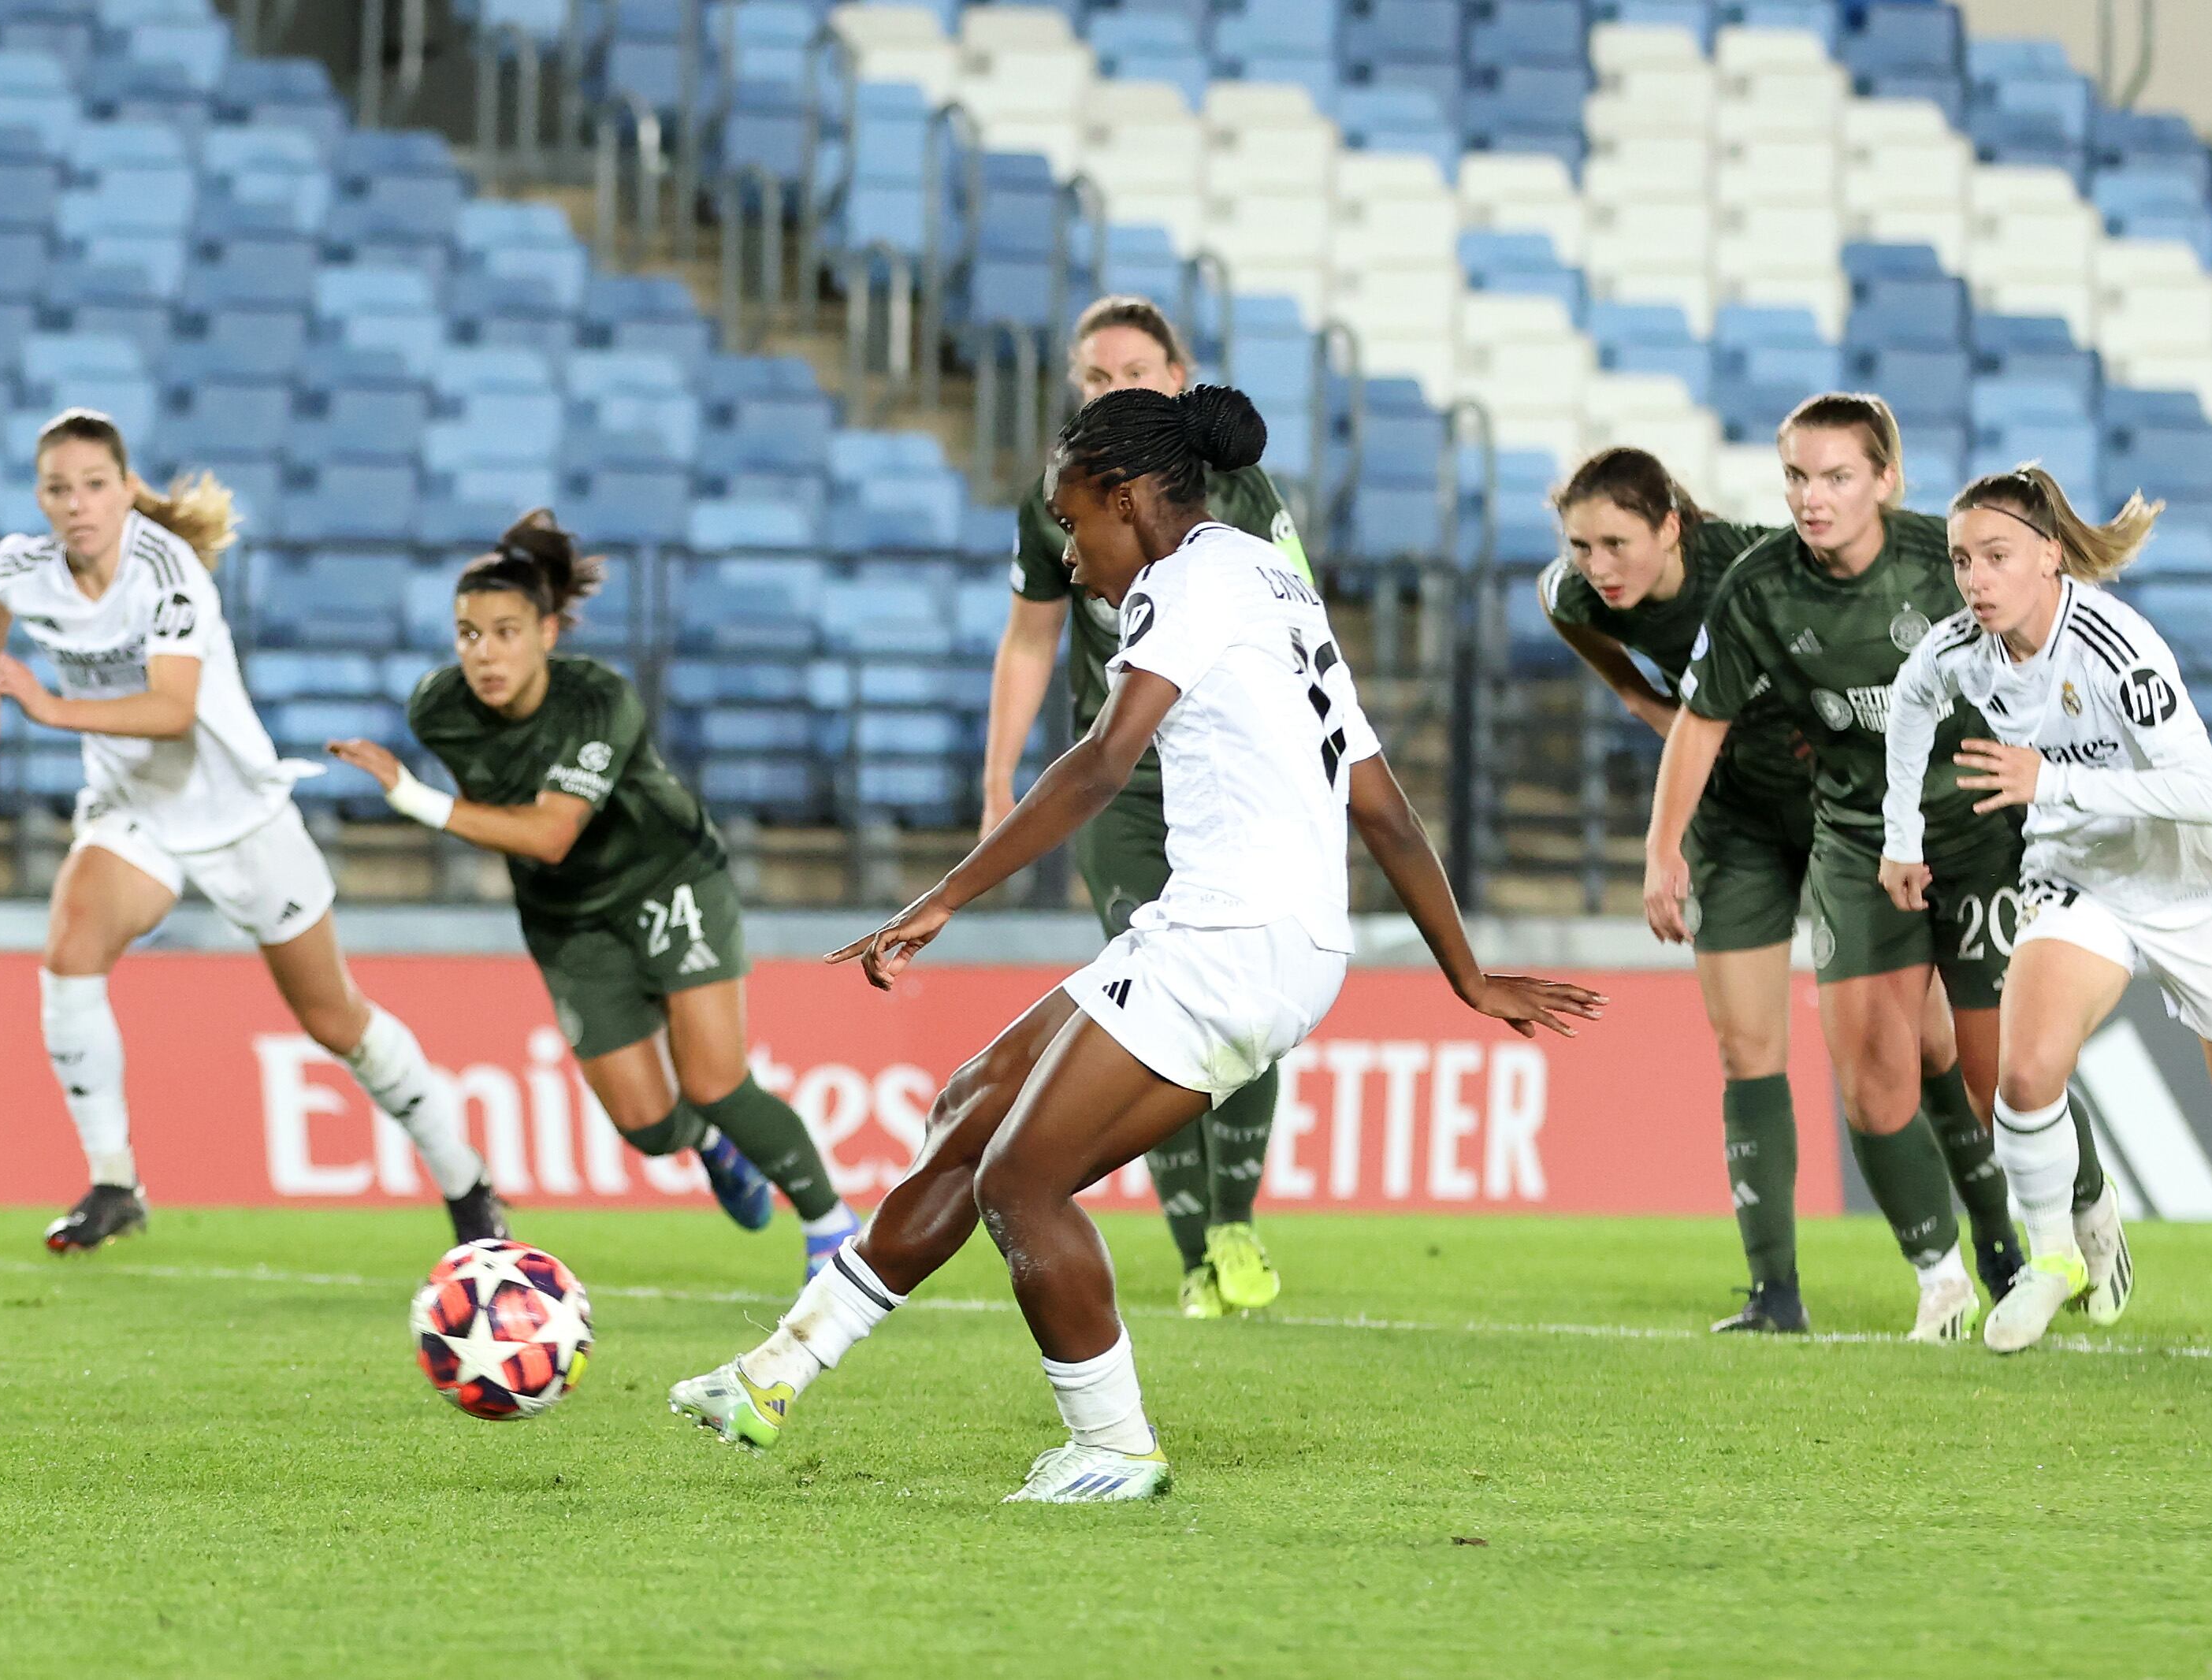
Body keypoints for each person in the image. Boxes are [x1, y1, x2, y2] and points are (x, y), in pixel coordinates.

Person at [669, 385, 1604, 1502]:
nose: (1068, 556)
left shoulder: (1182, 585)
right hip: (1247, 929)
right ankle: (773, 1373)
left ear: (1125, 499)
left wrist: (944, 897)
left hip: (1234, 937)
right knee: (971, 1107)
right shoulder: (1270, 576)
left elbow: (1103, 763)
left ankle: (1113, 1448)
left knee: (1022, 1183)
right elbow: (1384, 804)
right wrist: (1465, 974)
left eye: (1073, 523)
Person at [0, 408, 505, 1251]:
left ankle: (467, 1186)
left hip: (237, 812)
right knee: (69, 950)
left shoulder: (168, 573)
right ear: (41, 496)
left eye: (95, 485)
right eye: (58, 489)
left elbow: (171, 709)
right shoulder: (24, 565)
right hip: (134, 805)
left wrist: (48, 706)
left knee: (334, 1018)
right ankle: (113, 1179)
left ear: (125, 490)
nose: (77, 504)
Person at [1883, 466, 2212, 1356]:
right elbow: (1909, 705)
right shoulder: (1960, 648)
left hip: (2195, 890)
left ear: (2049, 554)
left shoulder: (2117, 646)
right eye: (1962, 560)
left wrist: (2051, 780)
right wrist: (1899, 837)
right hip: (2084, 877)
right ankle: (2054, 1258)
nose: (1975, 579)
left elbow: (2199, 789)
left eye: (1995, 557)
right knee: (2023, 1075)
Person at [1646, 394, 2103, 1344]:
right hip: (1858, 838)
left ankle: (2087, 1201)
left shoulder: (1951, 563)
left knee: (2001, 1078)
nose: (1813, 499)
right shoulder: (1758, 588)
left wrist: (2067, 789)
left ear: (1886, 481)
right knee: (1870, 1077)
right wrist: (1661, 849)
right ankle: (1939, 1278)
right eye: (1798, 479)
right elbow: (1701, 720)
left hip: (1980, 837)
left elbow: (2059, 657)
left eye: (1837, 477)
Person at [326, 513, 863, 1279]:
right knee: (648, 1126)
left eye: (505, 631)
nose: (485, 652)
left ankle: (832, 1230)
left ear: (547, 632)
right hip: (566, 920)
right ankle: (716, 1147)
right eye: (468, 634)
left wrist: (409, 795)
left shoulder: (597, 698)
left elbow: (550, 832)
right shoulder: (437, 710)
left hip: (667, 879)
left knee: (714, 1079)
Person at [1542, 448, 1991, 1333]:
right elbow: (1599, 639)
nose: (1598, 566)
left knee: (1930, 1040)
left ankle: (2000, 1242)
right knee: (1746, 1045)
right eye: (1580, 544)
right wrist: (1647, 706)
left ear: (1673, 525)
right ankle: (1774, 1292)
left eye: (1616, 542)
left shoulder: (1755, 569)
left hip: (1839, 816)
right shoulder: (1572, 596)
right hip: (1733, 822)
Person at [985, 295, 1311, 1319]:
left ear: (1179, 376)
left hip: (1239, 777)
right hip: (1124, 782)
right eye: (1093, 373)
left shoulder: (1241, 490)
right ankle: (1198, 1254)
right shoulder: (1059, 498)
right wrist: (999, 776)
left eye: (1133, 367)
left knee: (1246, 996)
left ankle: (1233, 1218)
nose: (1112, 384)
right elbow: (1032, 639)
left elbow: (1302, 630)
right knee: (1156, 994)